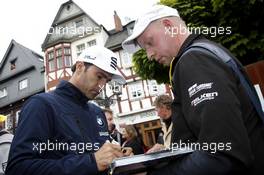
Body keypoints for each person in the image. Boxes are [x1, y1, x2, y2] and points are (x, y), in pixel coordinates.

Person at [122, 4, 264, 175]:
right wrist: (169, 153)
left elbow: (223, 154)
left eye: (150, 43)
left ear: (169, 26)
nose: (150, 55)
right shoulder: (209, 50)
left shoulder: (194, 59)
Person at [6, 46, 132, 175]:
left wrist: (119, 157)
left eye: (107, 81)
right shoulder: (41, 105)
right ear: (79, 67)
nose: (102, 86)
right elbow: (18, 168)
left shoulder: (97, 112)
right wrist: (91, 162)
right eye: (99, 76)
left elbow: (100, 158)